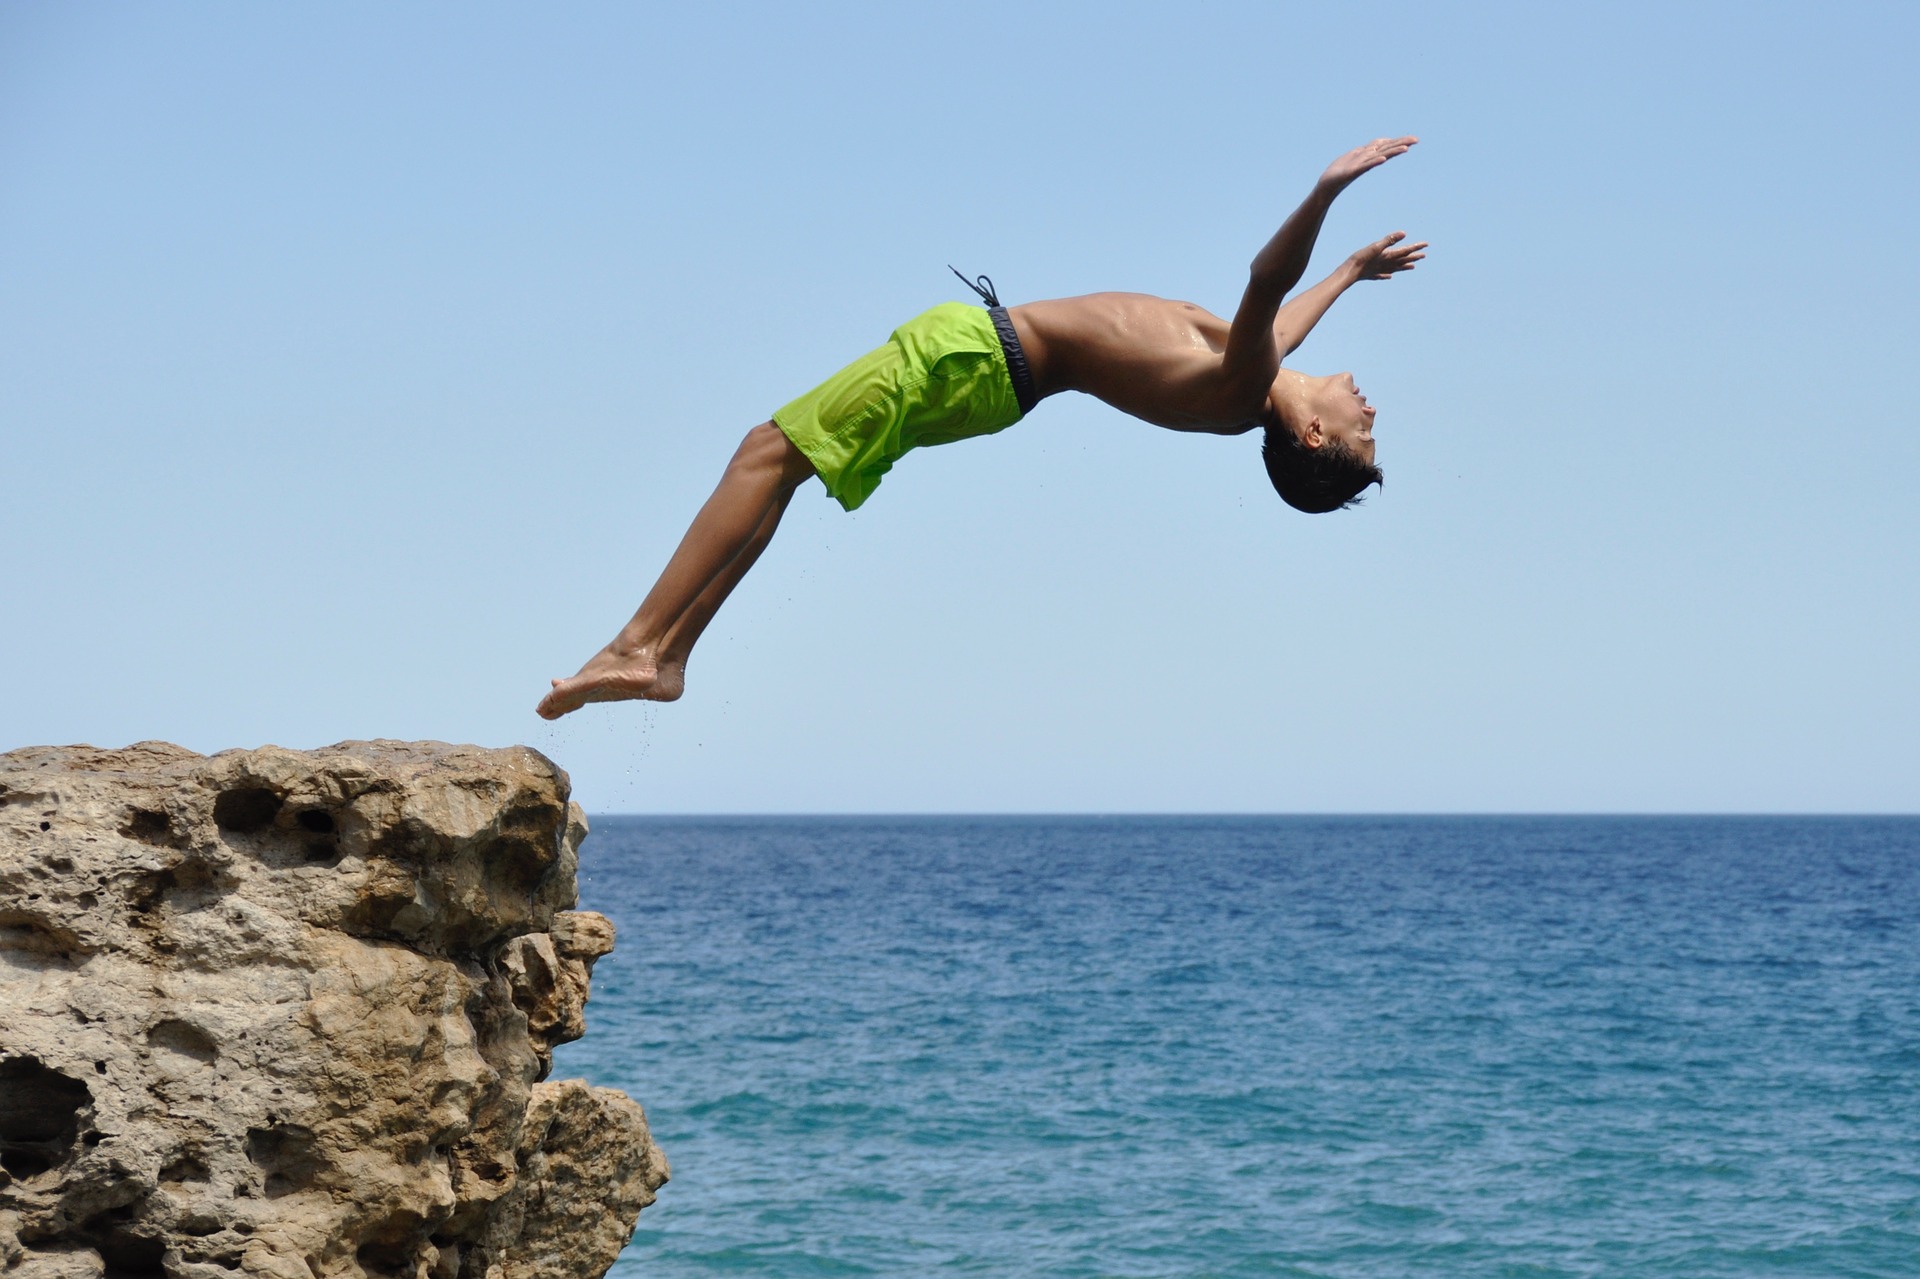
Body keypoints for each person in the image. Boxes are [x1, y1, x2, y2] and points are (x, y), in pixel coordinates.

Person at [537, 136, 1424, 718]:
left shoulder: (1244, 387)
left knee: (765, 452)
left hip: (973, 361)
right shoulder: (1252, 383)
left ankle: (640, 644)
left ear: (1313, 437)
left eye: (1364, 431)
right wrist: (1348, 269)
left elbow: (1266, 280)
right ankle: (670, 655)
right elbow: (1284, 321)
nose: (1371, 408)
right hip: (986, 370)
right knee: (781, 463)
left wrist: (1325, 194)